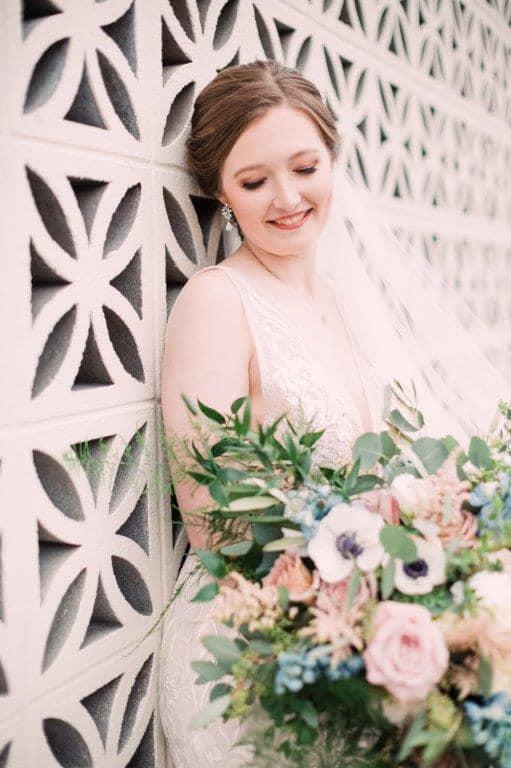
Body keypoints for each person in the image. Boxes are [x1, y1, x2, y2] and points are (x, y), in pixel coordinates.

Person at [157, 60, 509, 766]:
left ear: (331, 159)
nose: (287, 197)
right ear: (221, 191)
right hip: (263, 648)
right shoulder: (216, 302)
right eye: (254, 182)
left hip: (378, 622)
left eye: (304, 167)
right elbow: (213, 521)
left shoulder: (350, 302)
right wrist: (365, 557)